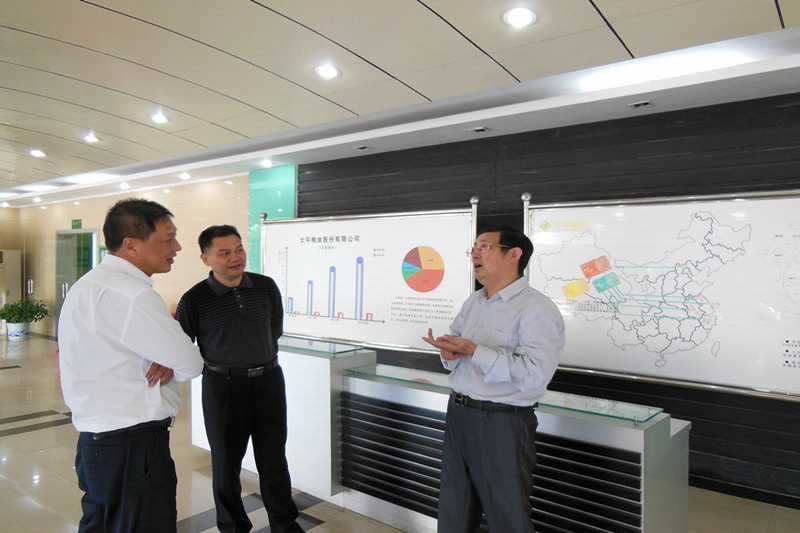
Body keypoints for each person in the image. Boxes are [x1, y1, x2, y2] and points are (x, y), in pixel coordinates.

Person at [58, 198, 204, 533]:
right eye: (168, 239)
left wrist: (168, 358)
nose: (177, 247)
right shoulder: (131, 295)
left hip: (97, 442)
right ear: (132, 245)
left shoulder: (87, 285)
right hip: (132, 447)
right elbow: (190, 363)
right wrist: (172, 359)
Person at [422, 225, 565, 533]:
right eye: (473, 247)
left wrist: (475, 351)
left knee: (506, 515)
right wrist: (449, 353)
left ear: (514, 255)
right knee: (454, 509)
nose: (475, 253)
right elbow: (457, 349)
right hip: (459, 414)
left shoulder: (536, 308)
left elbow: (535, 376)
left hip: (502, 422)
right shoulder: (474, 302)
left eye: (484, 247)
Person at [175, 225, 303, 533]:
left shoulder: (265, 286)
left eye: (239, 250)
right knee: (226, 463)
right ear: (206, 258)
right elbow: (181, 344)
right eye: (224, 253)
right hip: (224, 387)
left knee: (274, 459)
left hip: (269, 381)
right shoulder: (194, 299)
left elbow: (274, 330)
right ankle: (232, 527)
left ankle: (284, 525)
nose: (235, 258)